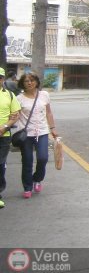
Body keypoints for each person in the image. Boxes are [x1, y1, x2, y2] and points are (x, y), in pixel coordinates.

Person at [14, 72, 59, 199]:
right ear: (22, 84)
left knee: (43, 158)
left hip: (42, 132)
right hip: (26, 134)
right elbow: (15, 115)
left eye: (32, 80)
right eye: (26, 81)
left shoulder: (44, 95)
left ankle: (37, 179)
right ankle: (27, 187)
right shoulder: (19, 98)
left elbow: (49, 113)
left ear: (36, 82)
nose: (29, 83)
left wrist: (52, 128)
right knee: (27, 161)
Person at [0, 67, 22, 208]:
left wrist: (5, 127)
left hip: (4, 136)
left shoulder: (9, 95)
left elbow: (16, 114)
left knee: (0, 165)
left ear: (3, 79)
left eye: (0, 78)